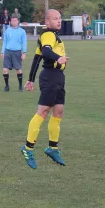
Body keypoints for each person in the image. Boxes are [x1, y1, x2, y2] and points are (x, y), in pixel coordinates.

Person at [21, 9, 69, 169]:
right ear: (47, 22)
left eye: (60, 18)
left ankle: (52, 148)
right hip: (50, 76)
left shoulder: (54, 36)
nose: (59, 21)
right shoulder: (48, 34)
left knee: (58, 111)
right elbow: (47, 52)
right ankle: (27, 148)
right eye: (55, 19)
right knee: (42, 112)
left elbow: (36, 58)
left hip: (58, 77)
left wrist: (30, 79)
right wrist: (58, 58)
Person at [1, 14, 27, 92]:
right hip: (8, 52)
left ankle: (20, 87)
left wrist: (24, 53)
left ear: (18, 21)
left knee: (18, 69)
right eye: (12, 20)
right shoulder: (7, 31)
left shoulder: (22, 31)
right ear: (10, 21)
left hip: (17, 52)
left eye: (15, 20)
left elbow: (24, 42)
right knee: (5, 70)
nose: (14, 22)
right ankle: (7, 86)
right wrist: (2, 52)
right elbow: (5, 42)